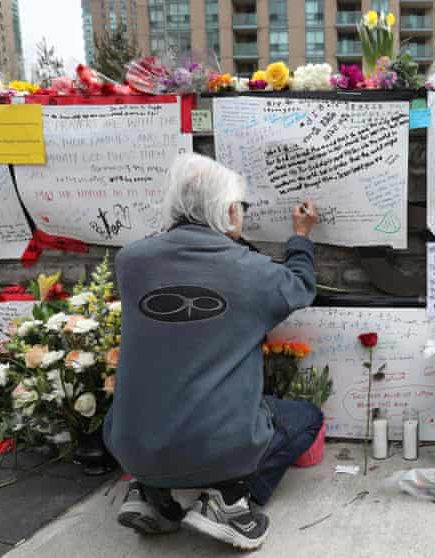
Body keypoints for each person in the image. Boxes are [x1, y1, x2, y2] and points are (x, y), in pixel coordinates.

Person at [104, 153, 323, 551]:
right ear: (227, 210)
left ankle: (150, 493)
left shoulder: (130, 262)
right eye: (241, 206)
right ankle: (229, 500)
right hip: (218, 443)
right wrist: (301, 237)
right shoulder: (253, 272)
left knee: (165, 398)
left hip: (130, 443)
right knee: (305, 417)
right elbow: (300, 286)